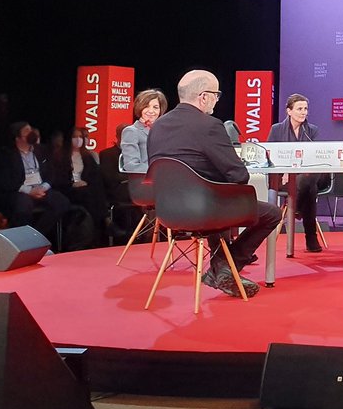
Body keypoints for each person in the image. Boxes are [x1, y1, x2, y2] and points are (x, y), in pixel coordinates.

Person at [146, 70, 281, 298]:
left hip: (167, 210)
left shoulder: (157, 126)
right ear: (204, 96)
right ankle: (224, 267)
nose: (217, 100)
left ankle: (221, 268)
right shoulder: (209, 125)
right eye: (216, 95)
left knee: (215, 200)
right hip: (205, 209)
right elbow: (238, 175)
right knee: (272, 213)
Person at [0, 121, 72, 244]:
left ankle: (35, 237)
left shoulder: (42, 150)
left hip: (41, 188)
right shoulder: (6, 154)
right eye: (26, 132)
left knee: (62, 202)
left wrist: (43, 187)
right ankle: (20, 242)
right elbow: (5, 180)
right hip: (19, 190)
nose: (31, 133)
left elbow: (52, 173)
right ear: (18, 137)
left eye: (30, 130)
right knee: (23, 207)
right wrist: (29, 191)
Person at [267, 93, 327, 253]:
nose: (303, 112)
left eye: (305, 109)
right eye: (299, 109)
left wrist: (297, 172)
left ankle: (296, 206)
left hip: (307, 175)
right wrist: (286, 171)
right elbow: (270, 156)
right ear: (289, 111)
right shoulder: (277, 129)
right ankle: (310, 238)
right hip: (282, 178)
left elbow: (316, 157)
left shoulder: (312, 131)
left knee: (308, 178)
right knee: (310, 189)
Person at [51, 126, 110, 246]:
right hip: (67, 189)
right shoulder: (60, 157)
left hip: (85, 189)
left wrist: (86, 183)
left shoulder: (87, 156)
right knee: (89, 195)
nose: (78, 140)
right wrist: (73, 184)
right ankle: (104, 222)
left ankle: (98, 230)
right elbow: (57, 179)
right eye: (74, 137)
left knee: (95, 190)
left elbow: (94, 177)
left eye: (80, 137)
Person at [120, 88, 168, 175]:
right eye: (146, 106)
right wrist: (160, 171)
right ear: (139, 107)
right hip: (145, 181)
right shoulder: (131, 131)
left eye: (155, 107)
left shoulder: (165, 131)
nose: (151, 111)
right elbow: (131, 165)